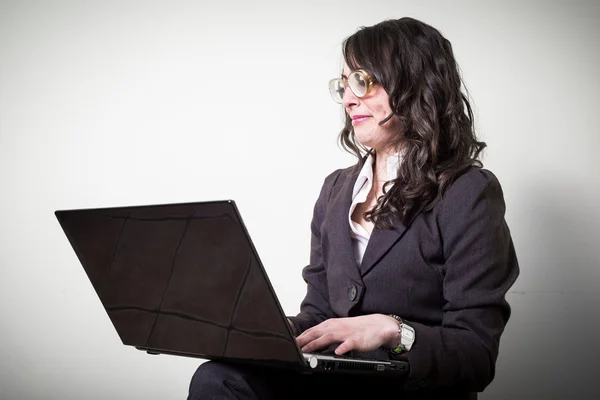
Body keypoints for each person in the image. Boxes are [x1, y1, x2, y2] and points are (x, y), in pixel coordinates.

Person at [187, 17, 519, 399]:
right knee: (218, 377)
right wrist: (261, 331)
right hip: (335, 381)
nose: (348, 98)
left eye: (363, 80)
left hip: (410, 386)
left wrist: (395, 330)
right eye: (344, 84)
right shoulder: (336, 189)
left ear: (414, 84)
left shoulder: (467, 192)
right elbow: (318, 314)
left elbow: (476, 354)